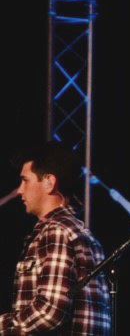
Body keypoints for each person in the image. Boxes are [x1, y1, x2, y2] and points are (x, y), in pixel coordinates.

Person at [0, 141, 111, 335]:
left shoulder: (57, 231)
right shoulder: (75, 230)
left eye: (25, 180)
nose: (19, 190)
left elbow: (50, 311)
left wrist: (3, 325)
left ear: (49, 182)